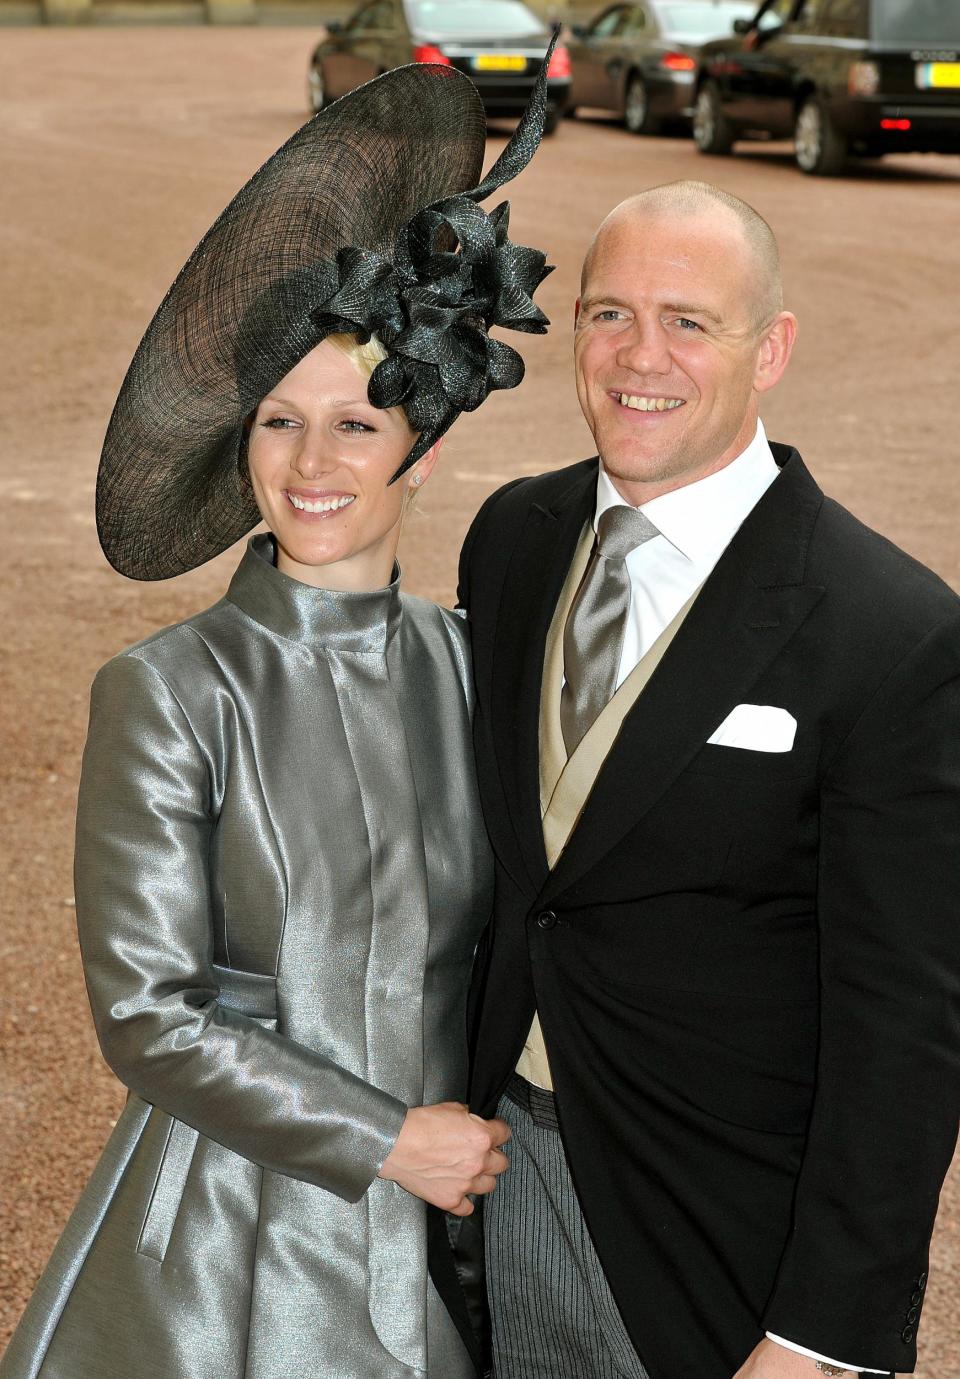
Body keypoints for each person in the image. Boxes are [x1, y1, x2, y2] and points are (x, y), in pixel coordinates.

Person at [0, 49, 557, 1379]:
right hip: (225, 1249)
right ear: (238, 447)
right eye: (276, 423)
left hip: (443, 1234)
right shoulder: (167, 690)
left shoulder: (480, 667)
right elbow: (149, 1012)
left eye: (356, 426)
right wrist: (386, 1136)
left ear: (417, 443)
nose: (313, 465)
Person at [458, 179, 960, 1379]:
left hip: (722, 1241)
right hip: (498, 1176)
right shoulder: (513, 538)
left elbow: (909, 1026)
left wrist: (823, 1331)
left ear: (770, 348)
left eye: (691, 321)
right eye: (608, 313)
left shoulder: (890, 632)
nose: (641, 356)